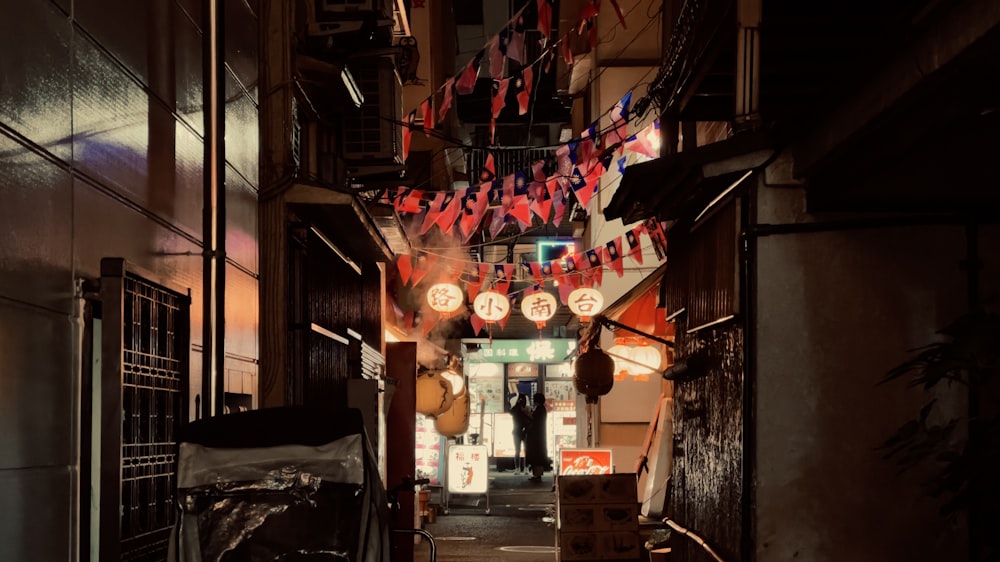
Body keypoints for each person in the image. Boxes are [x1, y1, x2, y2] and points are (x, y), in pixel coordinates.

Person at [524, 392, 548, 481]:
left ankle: (537, 475)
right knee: (538, 455)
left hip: (536, 436)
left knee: (536, 455)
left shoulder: (539, 410)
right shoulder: (541, 409)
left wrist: (527, 413)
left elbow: (534, 420)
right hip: (539, 436)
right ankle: (537, 474)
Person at [509, 394, 531, 473]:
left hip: (520, 431)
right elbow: (511, 411)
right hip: (520, 431)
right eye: (520, 399)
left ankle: (523, 468)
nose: (521, 401)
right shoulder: (516, 409)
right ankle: (520, 468)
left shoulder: (526, 409)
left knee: (522, 450)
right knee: (520, 450)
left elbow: (531, 417)